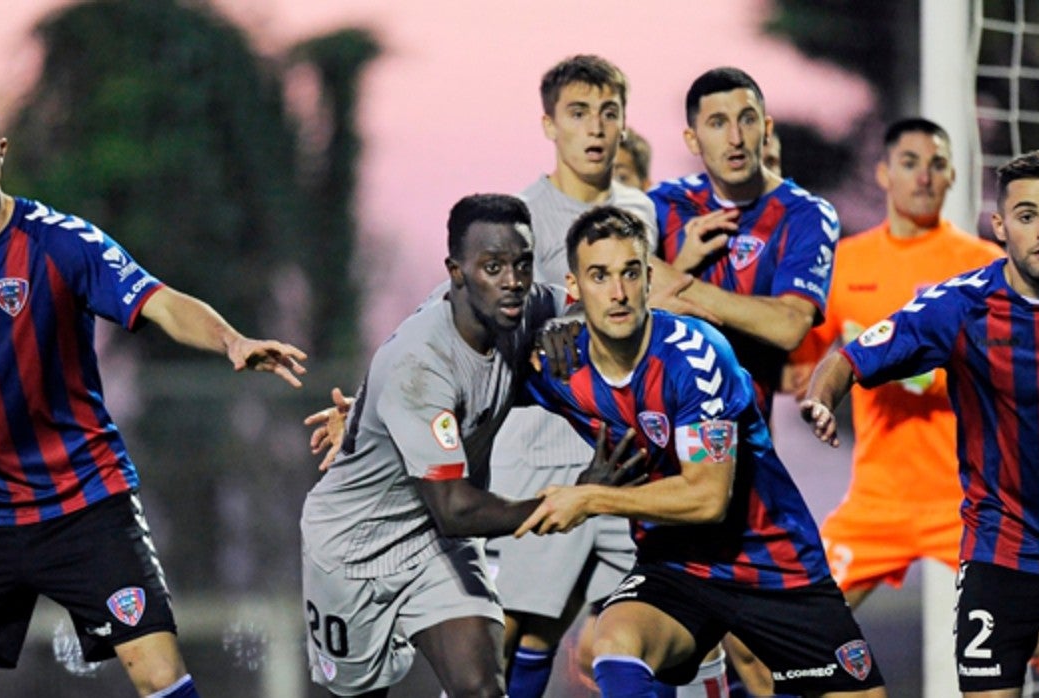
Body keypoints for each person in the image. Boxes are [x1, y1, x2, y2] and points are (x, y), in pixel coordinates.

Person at [0, 85, 308, 698]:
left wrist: (229, 341)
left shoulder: (61, 242)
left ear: (1, 149)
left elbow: (157, 300)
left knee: (159, 674)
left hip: (85, 504)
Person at [518, 205, 887, 698]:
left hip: (772, 563)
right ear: (574, 286)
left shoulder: (694, 354)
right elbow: (478, 375)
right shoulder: (560, 366)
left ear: (649, 277)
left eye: (630, 273)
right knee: (610, 642)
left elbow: (707, 499)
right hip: (675, 568)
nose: (618, 292)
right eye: (599, 276)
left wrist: (588, 499)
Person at [300, 193, 638, 698]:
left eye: (522, 264)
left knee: (482, 689)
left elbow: (578, 301)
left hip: (439, 545)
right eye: (493, 266)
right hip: (355, 549)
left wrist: (572, 320)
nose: (514, 281)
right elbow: (455, 508)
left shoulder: (521, 308)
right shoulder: (421, 365)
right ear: (455, 272)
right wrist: (574, 497)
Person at [800, 149, 1039, 697]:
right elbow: (852, 356)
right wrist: (822, 396)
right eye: (1028, 216)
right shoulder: (962, 305)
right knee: (793, 628)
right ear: (1001, 226)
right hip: (999, 552)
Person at [487, 54, 693, 698]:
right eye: (578, 113)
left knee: (640, 636)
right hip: (542, 458)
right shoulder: (516, 217)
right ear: (549, 124)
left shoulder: (640, 210)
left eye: (609, 113)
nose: (596, 129)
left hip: (630, 457)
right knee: (520, 630)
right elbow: (474, 333)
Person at [647, 65, 838, 696]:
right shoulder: (659, 208)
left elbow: (786, 327)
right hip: (655, 457)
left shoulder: (806, 215)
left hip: (747, 461)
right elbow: (616, 296)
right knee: (643, 644)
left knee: (763, 656)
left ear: (767, 127)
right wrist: (675, 271)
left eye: (748, 118)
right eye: (718, 122)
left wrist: (679, 287)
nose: (735, 135)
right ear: (693, 137)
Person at [789, 118, 1003, 608]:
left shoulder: (984, 267)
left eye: (937, 165)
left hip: (970, 500)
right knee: (794, 629)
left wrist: (934, 371)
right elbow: (801, 359)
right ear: (884, 173)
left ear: (953, 177)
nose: (924, 177)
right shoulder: (846, 264)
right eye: (910, 163)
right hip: (877, 501)